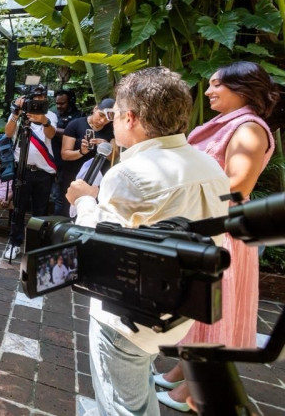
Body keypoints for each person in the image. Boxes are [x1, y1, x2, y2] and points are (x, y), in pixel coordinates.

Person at [65, 67, 229, 416]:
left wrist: (82, 201)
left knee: (125, 405)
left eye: (115, 116)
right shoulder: (210, 166)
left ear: (131, 117)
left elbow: (96, 249)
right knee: (136, 388)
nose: (111, 124)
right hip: (183, 307)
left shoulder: (129, 173)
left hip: (128, 318)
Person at [156, 61, 279, 412]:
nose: (208, 92)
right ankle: (181, 371)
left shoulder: (249, 129)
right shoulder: (229, 124)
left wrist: (183, 197)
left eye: (215, 86)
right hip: (206, 221)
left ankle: (192, 393)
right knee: (195, 304)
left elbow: (238, 185)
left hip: (220, 229)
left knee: (208, 307)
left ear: (241, 89)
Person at [3, 88, 57, 260]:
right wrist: (16, 113)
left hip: (43, 173)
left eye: (41, 99)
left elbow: (51, 134)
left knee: (39, 211)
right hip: (23, 172)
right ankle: (14, 243)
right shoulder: (20, 115)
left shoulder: (50, 115)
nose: (37, 103)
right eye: (34, 99)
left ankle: (35, 246)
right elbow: (8, 133)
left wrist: (44, 120)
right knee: (18, 210)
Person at [56, 98, 115, 216]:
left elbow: (113, 159)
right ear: (95, 109)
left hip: (97, 180)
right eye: (101, 115)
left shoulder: (112, 130)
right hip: (72, 177)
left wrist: (106, 147)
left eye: (107, 119)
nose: (102, 120)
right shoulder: (76, 124)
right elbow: (65, 154)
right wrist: (81, 152)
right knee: (65, 211)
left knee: (92, 212)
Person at [50, 89, 81, 214]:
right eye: (57, 103)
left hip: (67, 163)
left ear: (70, 102)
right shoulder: (53, 115)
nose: (59, 106)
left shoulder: (78, 117)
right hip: (52, 160)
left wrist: (52, 129)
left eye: (62, 103)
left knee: (62, 196)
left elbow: (74, 134)